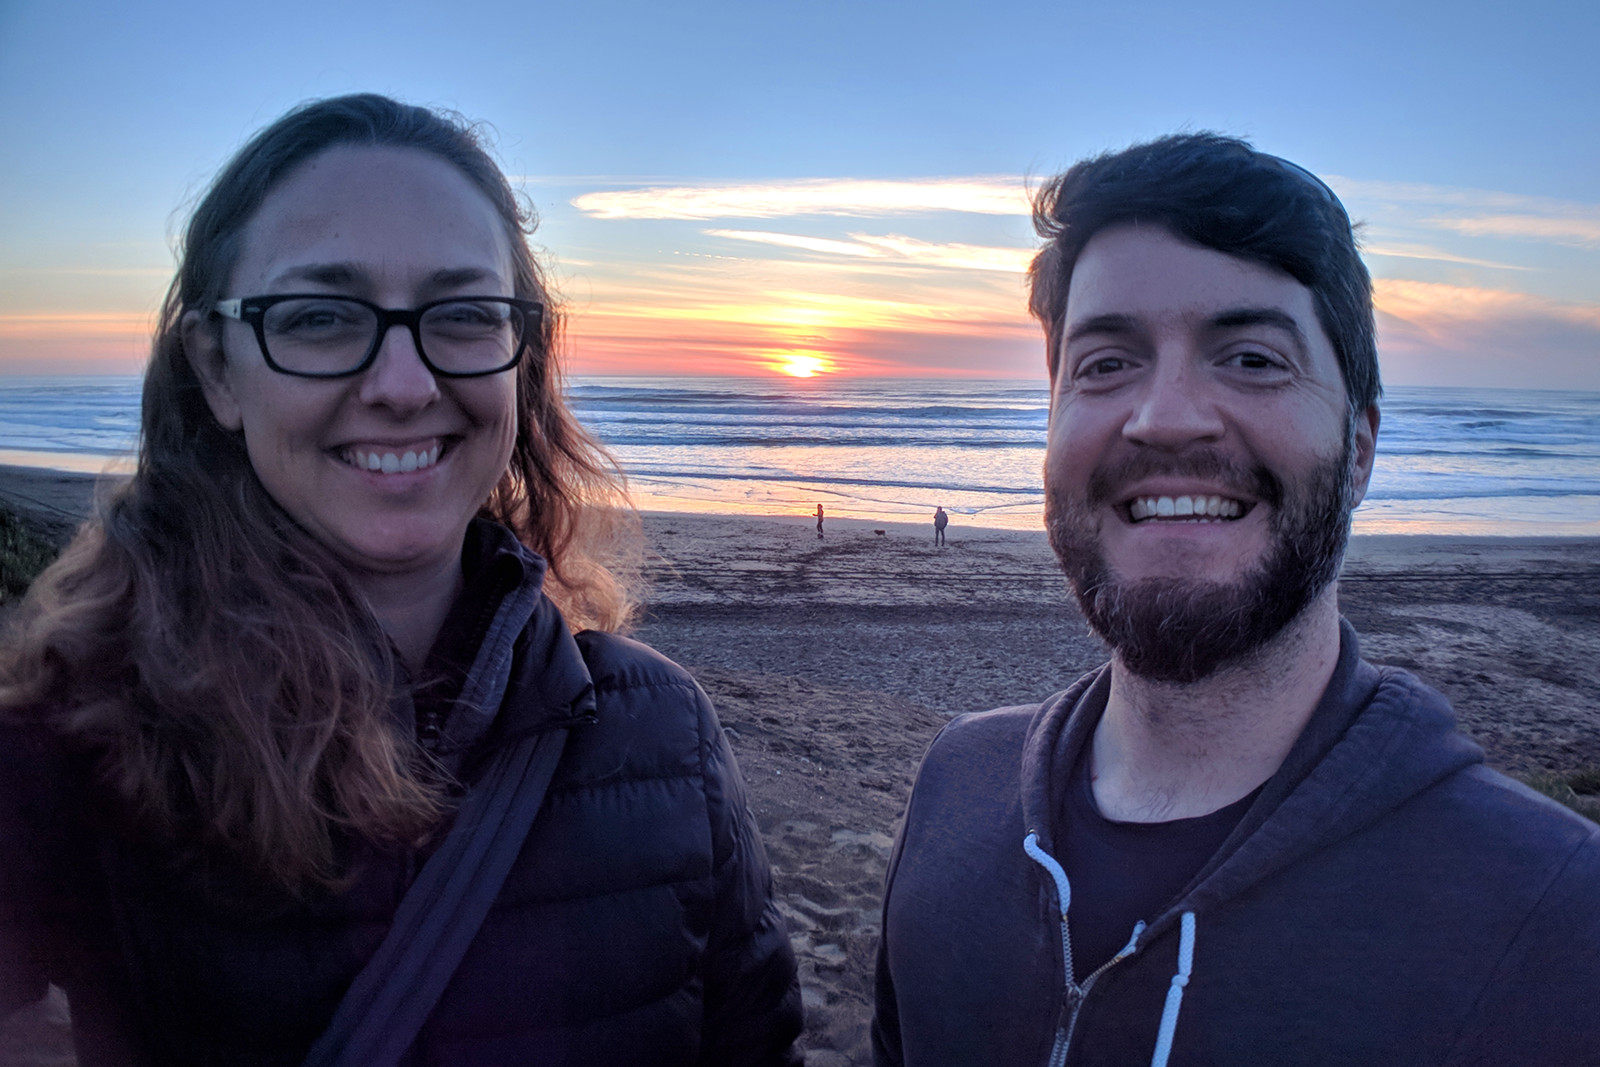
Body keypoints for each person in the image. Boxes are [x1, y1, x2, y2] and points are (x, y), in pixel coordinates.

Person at [0, 94, 801, 1066]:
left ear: (525, 355)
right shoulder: (69, 743)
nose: (402, 383)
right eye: (321, 316)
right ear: (216, 368)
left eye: (462, 315)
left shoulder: (661, 729)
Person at [872, 134, 1600, 1066]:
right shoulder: (954, 788)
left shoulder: (1554, 916)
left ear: (1361, 446)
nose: (1166, 415)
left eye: (1252, 358)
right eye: (1104, 363)